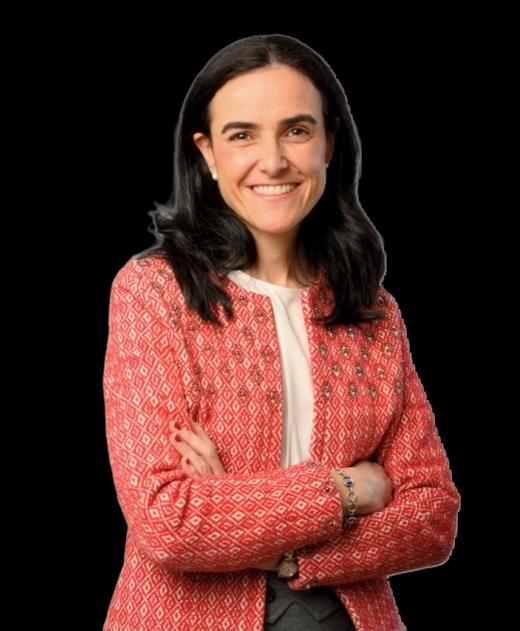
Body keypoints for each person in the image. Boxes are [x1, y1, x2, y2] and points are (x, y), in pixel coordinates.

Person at [103, 34, 460, 631]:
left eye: (297, 130)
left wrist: (268, 540)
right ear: (208, 154)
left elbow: (432, 519)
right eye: (242, 135)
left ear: (330, 143)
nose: (273, 161)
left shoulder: (374, 312)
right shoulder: (155, 293)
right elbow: (168, 520)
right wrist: (350, 490)